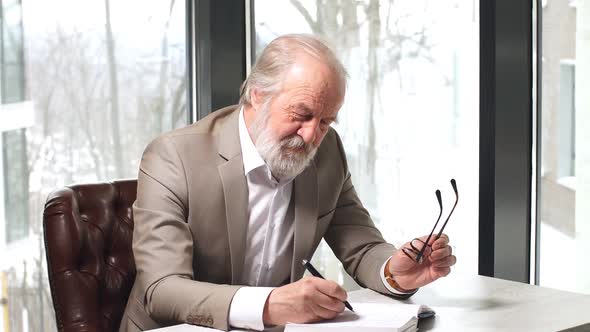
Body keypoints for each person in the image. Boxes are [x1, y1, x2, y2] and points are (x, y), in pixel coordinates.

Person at [120, 34, 456, 332]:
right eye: (301, 114)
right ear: (256, 95)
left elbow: (361, 246)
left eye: (325, 121)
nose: (312, 135)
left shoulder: (327, 152)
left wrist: (394, 273)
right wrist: (268, 305)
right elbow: (162, 289)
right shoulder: (174, 156)